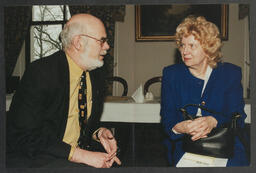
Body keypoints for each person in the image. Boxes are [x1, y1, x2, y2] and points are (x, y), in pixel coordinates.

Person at [6, 13, 121, 168]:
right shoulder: (41, 73)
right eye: (102, 40)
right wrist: (80, 155)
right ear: (79, 42)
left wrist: (98, 133)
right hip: (39, 157)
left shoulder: (95, 73)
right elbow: (23, 136)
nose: (107, 46)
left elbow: (80, 121)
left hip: (76, 155)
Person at [160, 15, 249, 166]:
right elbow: (167, 118)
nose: (184, 51)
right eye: (182, 45)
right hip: (185, 146)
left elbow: (238, 116)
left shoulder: (230, 73)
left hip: (225, 146)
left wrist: (213, 121)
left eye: (192, 46)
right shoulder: (171, 74)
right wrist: (180, 127)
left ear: (208, 48)